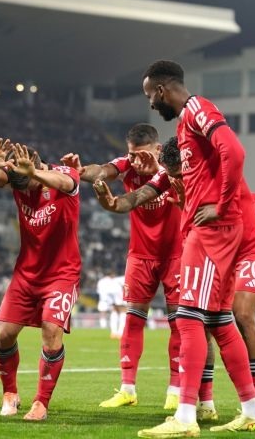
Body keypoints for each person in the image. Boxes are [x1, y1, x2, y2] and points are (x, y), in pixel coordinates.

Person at [136, 60, 255, 437]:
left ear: (162, 90)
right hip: (214, 230)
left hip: (212, 232)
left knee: (189, 317)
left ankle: (186, 416)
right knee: (218, 320)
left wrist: (223, 204)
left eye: (149, 96)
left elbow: (235, 152)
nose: (150, 104)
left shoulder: (197, 109)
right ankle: (253, 411)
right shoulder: (187, 121)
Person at [62, 123, 183, 409]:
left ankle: (176, 390)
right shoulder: (127, 165)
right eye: (132, 154)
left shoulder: (173, 171)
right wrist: (79, 171)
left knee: (179, 323)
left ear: (157, 149)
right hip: (140, 255)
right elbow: (101, 171)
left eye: (142, 154)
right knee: (133, 318)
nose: (136, 160)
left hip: (177, 254)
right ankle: (128, 388)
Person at [0, 139, 82, 422]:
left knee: (51, 332)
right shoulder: (18, 180)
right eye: (18, 187)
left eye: (27, 184)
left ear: (36, 170)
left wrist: (33, 174)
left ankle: (41, 402)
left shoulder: (65, 174)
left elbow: (65, 182)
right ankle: (10, 393)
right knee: (4, 336)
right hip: (25, 273)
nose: (22, 192)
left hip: (62, 273)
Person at [96, 271, 126, 339]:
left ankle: (113, 332)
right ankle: (120, 333)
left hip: (108, 296)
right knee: (123, 311)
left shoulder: (102, 280)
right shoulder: (121, 278)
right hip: (118, 293)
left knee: (114, 311)